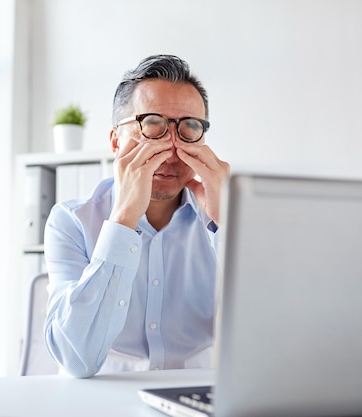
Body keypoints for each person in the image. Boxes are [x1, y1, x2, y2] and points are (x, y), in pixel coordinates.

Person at [43, 54, 230, 378]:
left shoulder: (219, 219)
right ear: (116, 141)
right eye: (153, 125)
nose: (172, 150)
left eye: (189, 129)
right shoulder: (70, 221)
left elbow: (270, 342)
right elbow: (76, 360)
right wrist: (125, 218)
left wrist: (228, 228)